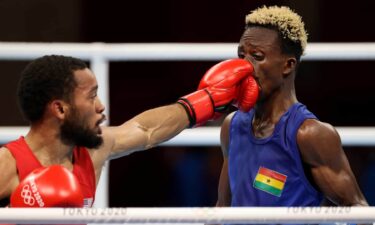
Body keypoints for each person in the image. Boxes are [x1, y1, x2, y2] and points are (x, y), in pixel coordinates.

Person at [0, 55, 259, 208]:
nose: (101, 106)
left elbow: (144, 130)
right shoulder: (7, 165)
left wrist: (206, 102)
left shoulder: (92, 151)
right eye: (91, 97)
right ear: (60, 109)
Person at [216, 5, 368, 211]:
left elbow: (357, 209)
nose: (244, 66)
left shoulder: (309, 135)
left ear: (288, 65)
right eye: (241, 55)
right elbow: (223, 208)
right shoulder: (232, 126)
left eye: (257, 56)